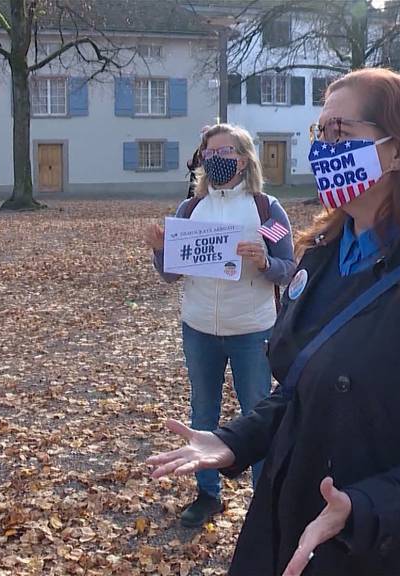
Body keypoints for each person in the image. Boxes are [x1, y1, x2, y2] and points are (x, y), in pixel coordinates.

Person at [148, 69, 400, 575]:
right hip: (293, 515)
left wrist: (366, 507)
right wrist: (233, 442)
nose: (323, 149)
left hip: (389, 546)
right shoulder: (321, 255)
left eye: (340, 133)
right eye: (319, 133)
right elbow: (300, 389)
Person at [143, 123, 296, 528]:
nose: (215, 159)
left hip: (253, 330)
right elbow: (170, 274)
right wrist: (161, 251)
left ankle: (264, 502)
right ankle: (208, 494)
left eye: (224, 153)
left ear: (243, 160)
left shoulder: (267, 209)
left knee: (257, 414)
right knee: (203, 412)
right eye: (209, 152)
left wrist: (265, 263)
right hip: (199, 329)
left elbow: (290, 269)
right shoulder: (189, 210)